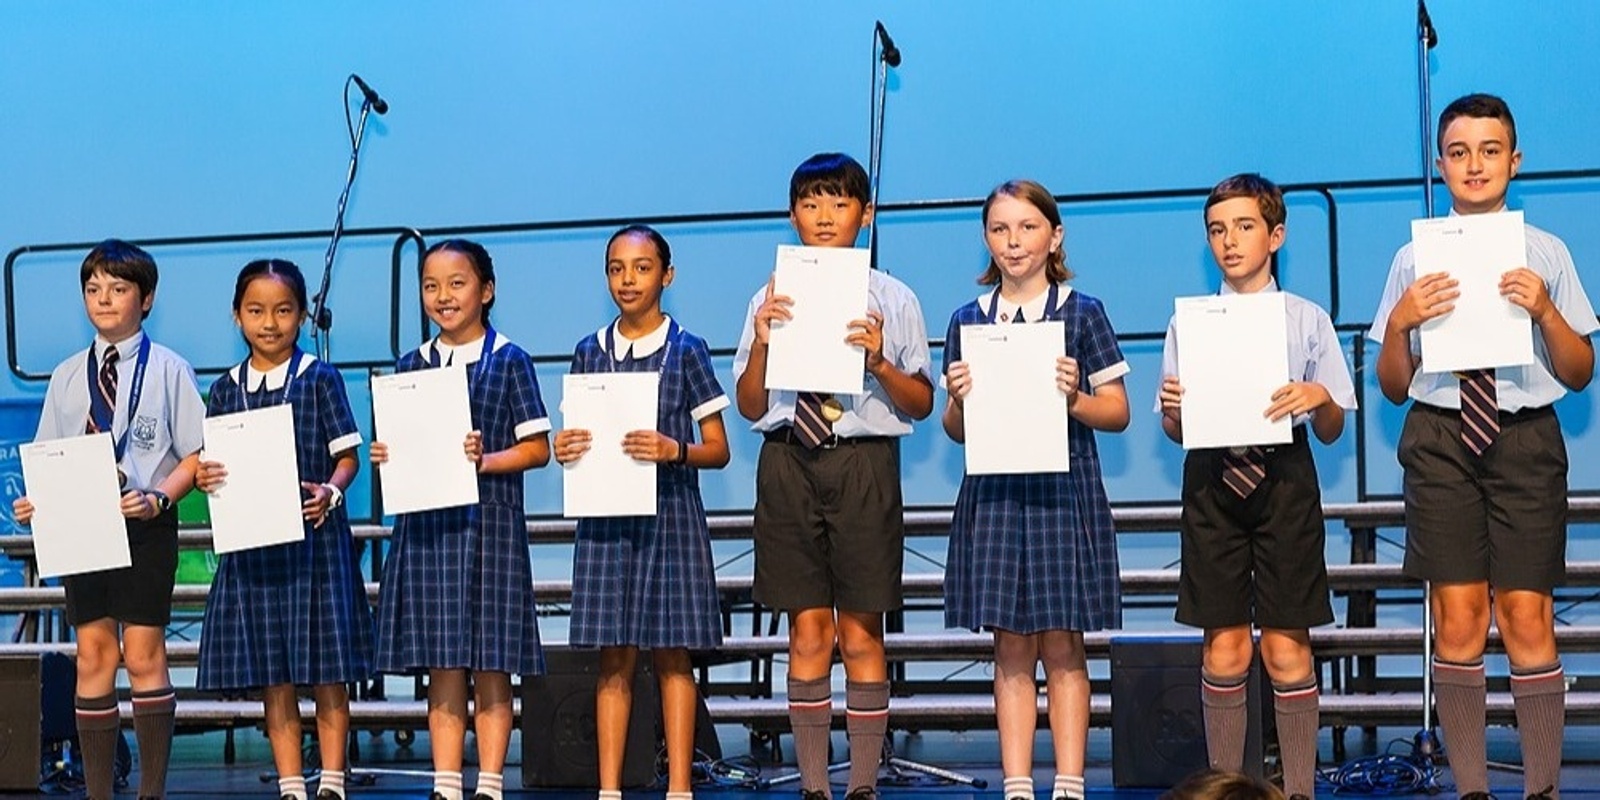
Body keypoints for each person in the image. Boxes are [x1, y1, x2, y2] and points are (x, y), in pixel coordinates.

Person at [1370, 93, 1596, 800]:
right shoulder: (1414, 255)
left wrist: (1545, 310)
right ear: (1440, 166)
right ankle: (1470, 788)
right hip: (1441, 438)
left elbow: (1579, 371)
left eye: (1490, 150)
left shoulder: (1546, 251)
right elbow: (1392, 387)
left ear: (1515, 161)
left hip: (1526, 438)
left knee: (1527, 614)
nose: (1475, 164)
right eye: (1459, 152)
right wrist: (1402, 325)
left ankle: (1543, 789)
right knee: (1458, 616)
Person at [733, 152, 934, 800]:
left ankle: (864, 785)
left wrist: (877, 362)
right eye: (811, 204)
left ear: (865, 214)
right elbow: (751, 405)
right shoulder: (768, 296)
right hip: (789, 458)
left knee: (861, 628)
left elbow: (922, 402)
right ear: (792, 215)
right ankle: (815, 786)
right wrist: (764, 339)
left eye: (839, 203)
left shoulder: (893, 297)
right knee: (807, 628)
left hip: (861, 461)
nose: (824, 216)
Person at [1158, 173, 1355, 800]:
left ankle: (1297, 790)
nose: (1229, 241)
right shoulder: (1189, 321)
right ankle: (1223, 789)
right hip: (1213, 482)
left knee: (1288, 646)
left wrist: (1318, 395)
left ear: (1275, 234)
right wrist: (1172, 410)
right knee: (1223, 647)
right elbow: (1173, 427)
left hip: (1285, 480)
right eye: (1217, 230)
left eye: (1244, 227)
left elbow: (1329, 428)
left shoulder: (1306, 319)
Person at [941, 179, 1130, 800]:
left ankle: (1069, 782)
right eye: (999, 229)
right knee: (1010, 646)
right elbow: (953, 427)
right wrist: (960, 398)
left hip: (1062, 490)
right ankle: (1017, 782)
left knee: (1064, 644)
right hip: (995, 495)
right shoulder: (968, 320)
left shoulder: (1083, 312)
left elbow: (1118, 411)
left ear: (1055, 235)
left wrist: (1074, 396)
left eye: (1026, 227)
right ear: (986, 239)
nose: (1013, 241)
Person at [13, 239, 205, 800]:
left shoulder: (170, 368)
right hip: (82, 526)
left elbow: (195, 454)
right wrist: (36, 504)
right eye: (93, 289)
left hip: (145, 523)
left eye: (118, 289)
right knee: (93, 653)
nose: (104, 299)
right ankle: (99, 792)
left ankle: (151, 792)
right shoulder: (68, 376)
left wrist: (159, 500)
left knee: (144, 653)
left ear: (145, 298)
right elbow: (49, 454)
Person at [554, 224, 731, 800]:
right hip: (607, 519)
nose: (628, 280)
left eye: (641, 267)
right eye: (616, 268)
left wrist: (672, 449)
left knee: (674, 654)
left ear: (667, 275)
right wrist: (566, 446)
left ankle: (680, 786)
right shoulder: (589, 350)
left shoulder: (688, 349)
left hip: (671, 514)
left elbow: (719, 447)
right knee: (614, 656)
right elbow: (578, 430)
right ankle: (610, 789)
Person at [371, 239, 552, 800]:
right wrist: (387, 455)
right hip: (428, 531)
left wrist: (486, 459)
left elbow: (538, 449)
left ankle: (491, 783)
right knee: (443, 663)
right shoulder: (410, 368)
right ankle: (447, 783)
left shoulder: (510, 359)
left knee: (492, 663)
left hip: (491, 526)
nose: (443, 296)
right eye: (431, 286)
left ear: (486, 290)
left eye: (457, 283)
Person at [194, 259, 373, 800]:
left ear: (301, 316)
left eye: (283, 310)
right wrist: (206, 475)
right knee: (275, 672)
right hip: (254, 548)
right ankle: (292, 782)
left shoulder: (320, 377)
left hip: (315, 545)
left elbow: (349, 456)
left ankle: (333, 780)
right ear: (236, 316)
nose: (269, 322)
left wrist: (331, 492)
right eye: (255, 311)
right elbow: (216, 461)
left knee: (327, 670)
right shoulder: (225, 389)